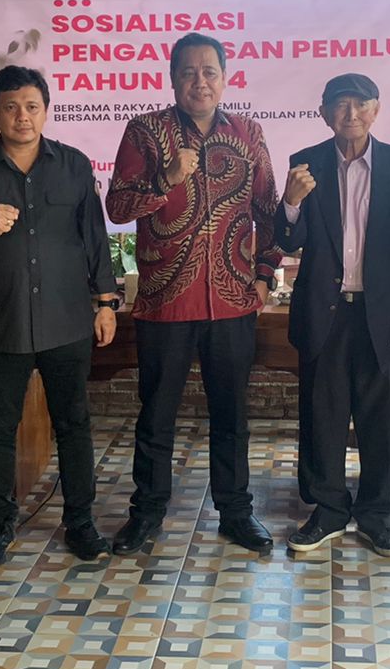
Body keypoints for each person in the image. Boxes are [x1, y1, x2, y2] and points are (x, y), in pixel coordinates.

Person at [105, 33, 281, 556]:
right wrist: (165, 178)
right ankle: (146, 514)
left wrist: (265, 274)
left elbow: (268, 211)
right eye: (188, 72)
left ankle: (236, 513)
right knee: (156, 414)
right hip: (165, 302)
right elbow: (117, 207)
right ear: (172, 78)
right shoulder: (145, 132)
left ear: (225, 77)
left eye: (209, 71)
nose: (199, 81)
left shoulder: (248, 133)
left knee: (232, 415)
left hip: (232, 301)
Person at [0, 65, 119, 565]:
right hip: (1, 323)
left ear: (46, 110)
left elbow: (95, 239)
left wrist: (106, 303)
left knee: (74, 423)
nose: (23, 116)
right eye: (11, 107)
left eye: (32, 107)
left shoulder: (73, 165)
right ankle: (0, 525)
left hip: (66, 320)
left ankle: (80, 522)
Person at [275, 73, 390, 558]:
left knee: (380, 420)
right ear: (324, 113)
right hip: (325, 313)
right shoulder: (306, 163)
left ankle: (378, 516)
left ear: (376, 110)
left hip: (382, 315)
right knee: (322, 417)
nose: (351, 114)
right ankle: (326, 511)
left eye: (361, 104)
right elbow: (288, 241)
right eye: (340, 105)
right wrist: (291, 202)